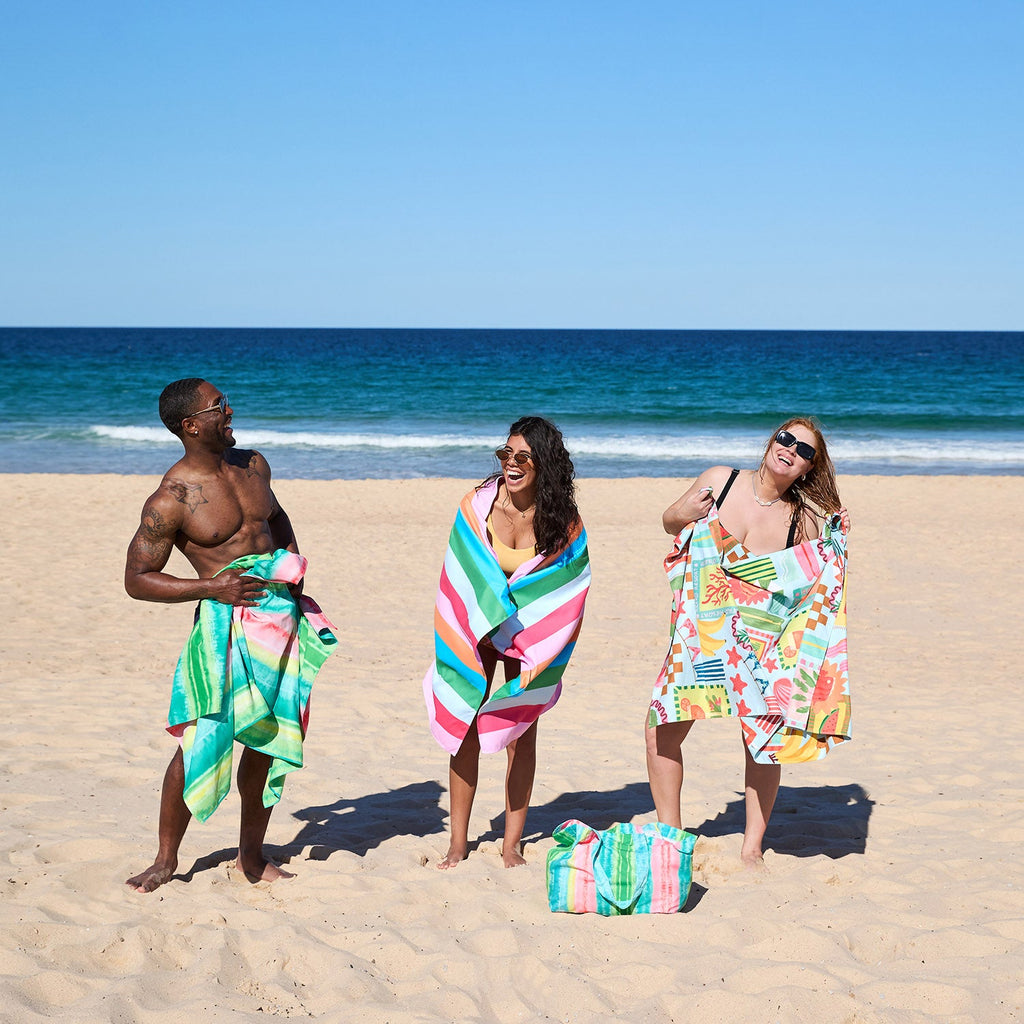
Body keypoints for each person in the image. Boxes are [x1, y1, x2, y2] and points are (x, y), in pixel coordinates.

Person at [124, 378, 336, 893]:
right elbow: (137, 580)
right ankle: (165, 859)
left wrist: (294, 569)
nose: (230, 409)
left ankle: (251, 856)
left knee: (267, 739)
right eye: (218, 405)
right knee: (200, 738)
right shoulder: (171, 499)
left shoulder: (254, 465)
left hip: (279, 620)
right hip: (222, 626)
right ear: (191, 424)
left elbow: (277, 520)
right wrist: (210, 588)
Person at [645, 417, 851, 867]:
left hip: (763, 646)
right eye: (785, 439)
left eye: (804, 451)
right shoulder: (720, 482)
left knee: (764, 742)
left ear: (807, 469)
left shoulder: (805, 521)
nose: (791, 449)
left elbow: (816, 582)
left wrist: (837, 535)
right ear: (770, 441)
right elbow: (668, 521)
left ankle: (752, 847)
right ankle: (670, 835)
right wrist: (685, 515)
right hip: (702, 638)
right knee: (661, 729)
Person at [423, 417, 591, 869]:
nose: (511, 465)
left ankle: (511, 843)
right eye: (505, 455)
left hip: (529, 631)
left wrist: (535, 625)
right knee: (465, 724)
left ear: (544, 464)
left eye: (522, 457)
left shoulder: (562, 520)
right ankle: (458, 842)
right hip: (475, 627)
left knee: (522, 731)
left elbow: (569, 583)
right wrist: (483, 611)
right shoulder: (477, 506)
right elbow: (460, 569)